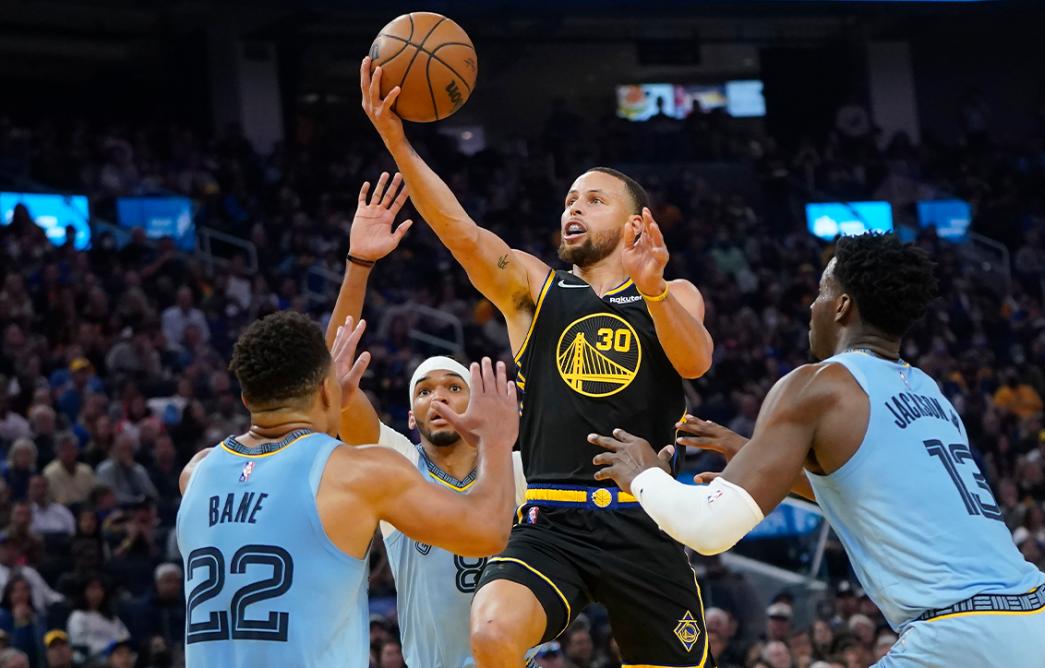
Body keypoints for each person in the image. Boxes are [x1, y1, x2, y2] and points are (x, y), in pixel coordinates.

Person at [361, 58, 716, 667]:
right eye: (570, 199)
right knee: (493, 631)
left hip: (647, 520)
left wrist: (652, 288)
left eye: (594, 200)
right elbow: (462, 232)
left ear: (636, 224)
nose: (572, 208)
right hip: (553, 517)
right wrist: (397, 139)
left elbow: (696, 361)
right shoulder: (535, 286)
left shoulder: (673, 294)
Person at [591, 233, 1045, 667]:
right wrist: (753, 454)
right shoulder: (928, 391)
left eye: (821, 292)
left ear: (841, 306)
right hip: (1041, 622)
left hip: (962, 637)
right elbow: (875, 500)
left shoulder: (816, 385)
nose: (813, 307)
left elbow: (709, 530)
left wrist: (643, 475)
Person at [175, 309, 518, 667]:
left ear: (246, 398)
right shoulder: (357, 474)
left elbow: (285, 470)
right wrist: (494, 439)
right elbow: (489, 532)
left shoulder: (196, 474)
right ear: (327, 389)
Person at [322, 173, 529, 668]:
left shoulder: (517, 467)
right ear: (411, 419)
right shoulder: (395, 465)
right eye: (425, 391)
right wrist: (359, 264)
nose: (439, 397)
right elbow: (335, 372)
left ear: (478, 404)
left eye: (454, 388)